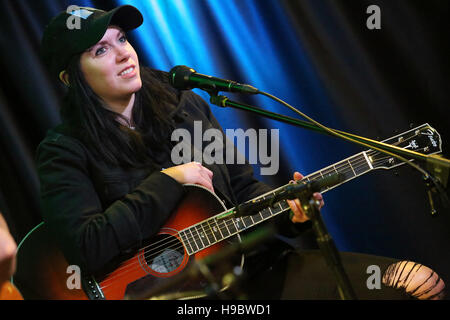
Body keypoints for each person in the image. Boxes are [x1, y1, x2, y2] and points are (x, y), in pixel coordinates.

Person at [35, 5, 445, 300]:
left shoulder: (185, 105)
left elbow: (242, 191)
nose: (125, 53)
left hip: (256, 270)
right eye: (101, 50)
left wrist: (292, 212)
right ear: (71, 78)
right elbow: (87, 245)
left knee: (416, 284)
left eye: (122, 39)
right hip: (178, 297)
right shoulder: (64, 151)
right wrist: (169, 181)